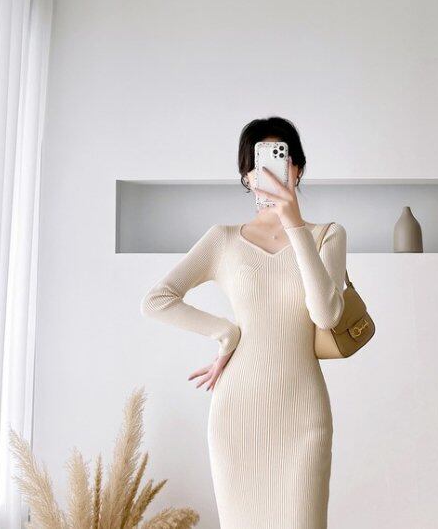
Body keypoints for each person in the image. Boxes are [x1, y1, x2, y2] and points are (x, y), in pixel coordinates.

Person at [140, 116, 347, 529]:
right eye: (257, 165)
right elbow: (157, 300)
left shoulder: (328, 234)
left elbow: (326, 315)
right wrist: (225, 332)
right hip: (236, 415)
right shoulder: (223, 240)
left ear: (297, 169)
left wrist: (294, 224)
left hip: (302, 416)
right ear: (247, 177)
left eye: (280, 160)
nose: (268, 173)